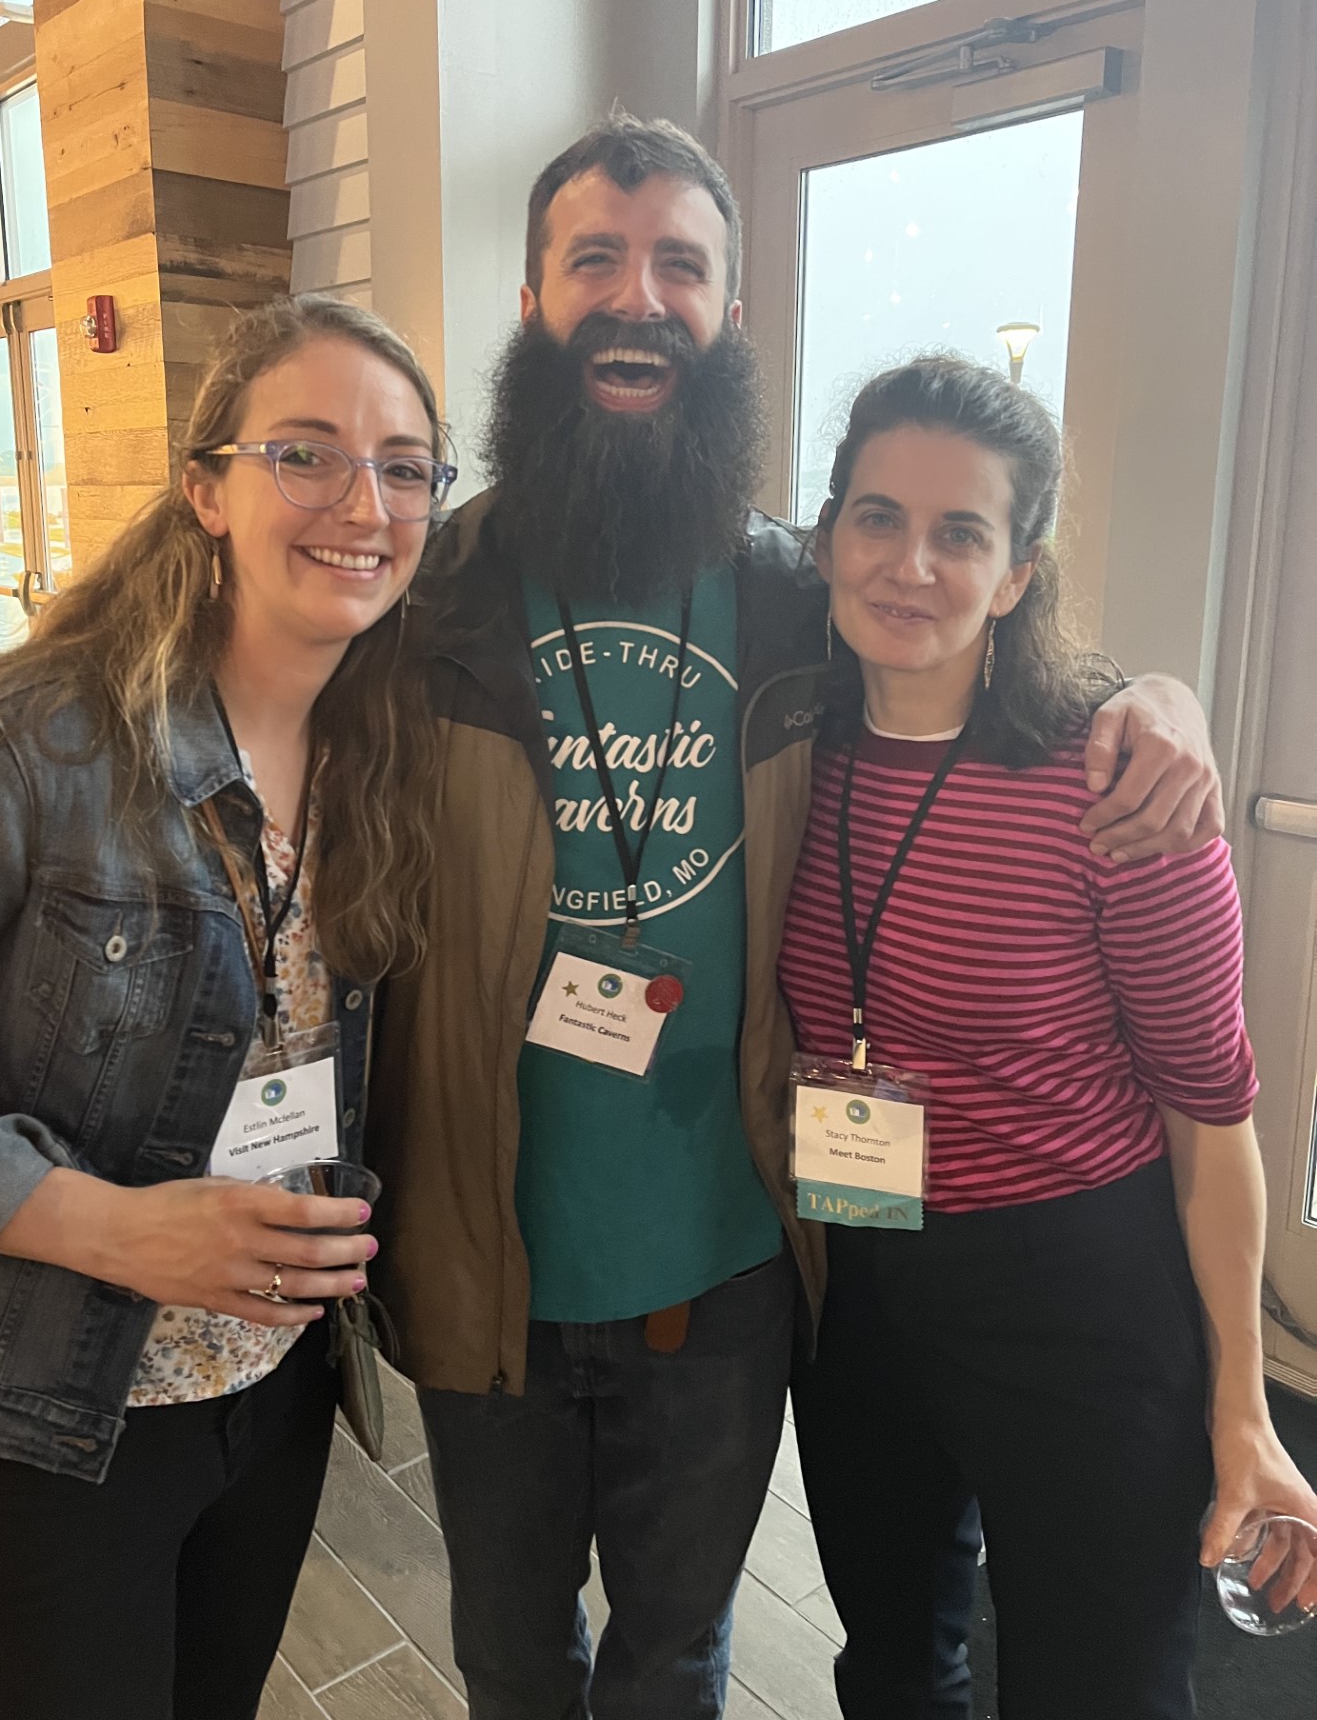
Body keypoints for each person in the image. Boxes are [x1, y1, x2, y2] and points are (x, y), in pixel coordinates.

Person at [361, 114, 1226, 1719]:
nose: (640, 297)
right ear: (536, 296)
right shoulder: (427, 605)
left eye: (682, 265)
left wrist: (1162, 701)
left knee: (679, 1657)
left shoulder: (791, 604)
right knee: (509, 1662)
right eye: (597, 259)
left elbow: (976, 659)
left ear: (729, 318)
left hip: (737, 1262)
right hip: (488, 1256)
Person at [0, 295, 452, 1720]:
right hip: (44, 1417)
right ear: (206, 487)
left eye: (404, 467)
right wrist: (120, 1230)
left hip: (274, 1393)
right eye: (304, 454)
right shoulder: (30, 744)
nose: (360, 504)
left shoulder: (384, 748)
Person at [780, 355, 1317, 1719]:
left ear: (1018, 573)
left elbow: (1213, 1113)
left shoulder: (1117, 790)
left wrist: (1242, 1407)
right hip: (868, 1274)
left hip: (1079, 1297)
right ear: (828, 533)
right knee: (893, 1663)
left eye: (963, 533)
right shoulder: (790, 746)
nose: (910, 565)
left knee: (1099, 1687)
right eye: (877, 518)